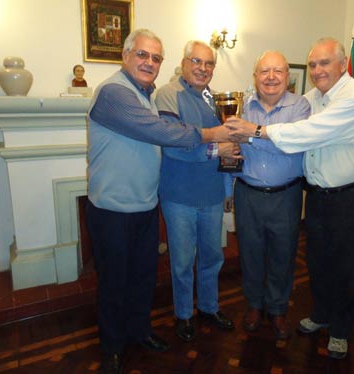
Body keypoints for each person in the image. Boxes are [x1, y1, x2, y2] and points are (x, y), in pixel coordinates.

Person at [86, 29, 232, 374]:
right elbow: (162, 134)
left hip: (145, 205)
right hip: (111, 209)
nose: (149, 62)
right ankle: (112, 348)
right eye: (142, 55)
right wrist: (213, 137)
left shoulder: (147, 94)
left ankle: (139, 333)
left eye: (155, 57)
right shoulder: (113, 93)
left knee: (141, 277)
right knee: (113, 282)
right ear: (125, 56)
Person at [225, 37, 354, 359]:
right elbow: (228, 147)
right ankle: (320, 314)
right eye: (313, 65)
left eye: (325, 63)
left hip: (350, 195)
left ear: (342, 65)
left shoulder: (350, 97)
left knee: (348, 264)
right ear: (255, 76)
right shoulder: (313, 98)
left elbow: (302, 136)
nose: (318, 70)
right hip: (318, 195)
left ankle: (340, 329)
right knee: (317, 261)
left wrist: (255, 132)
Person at [155, 40, 239, 343]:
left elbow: (231, 145)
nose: (203, 69)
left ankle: (208, 307)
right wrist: (217, 148)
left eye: (209, 64)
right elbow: (174, 144)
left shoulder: (216, 100)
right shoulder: (167, 94)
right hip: (179, 195)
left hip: (213, 194)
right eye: (197, 62)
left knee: (212, 257)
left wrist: (229, 187)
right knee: (181, 261)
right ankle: (183, 315)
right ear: (184, 61)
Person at [232, 51, 310, 339]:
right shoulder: (242, 105)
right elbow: (233, 150)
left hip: (286, 196)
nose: (271, 77)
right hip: (247, 194)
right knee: (250, 255)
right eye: (264, 71)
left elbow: (291, 144)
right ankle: (254, 305)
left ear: (287, 77)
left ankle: (277, 309)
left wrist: (252, 134)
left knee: (283, 255)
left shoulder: (300, 106)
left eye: (278, 71)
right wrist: (230, 187)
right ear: (255, 76)